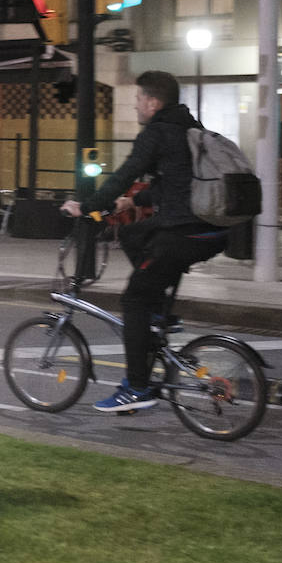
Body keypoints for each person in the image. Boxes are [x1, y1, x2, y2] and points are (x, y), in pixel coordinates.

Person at [59, 70, 229, 413]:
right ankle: (161, 314)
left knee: (133, 299)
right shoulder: (188, 127)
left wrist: (86, 206)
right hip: (210, 230)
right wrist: (135, 201)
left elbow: (124, 174)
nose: (135, 104)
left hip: (183, 233)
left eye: (138, 98)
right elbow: (178, 182)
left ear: (152, 102)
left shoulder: (156, 132)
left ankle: (137, 388)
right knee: (135, 232)